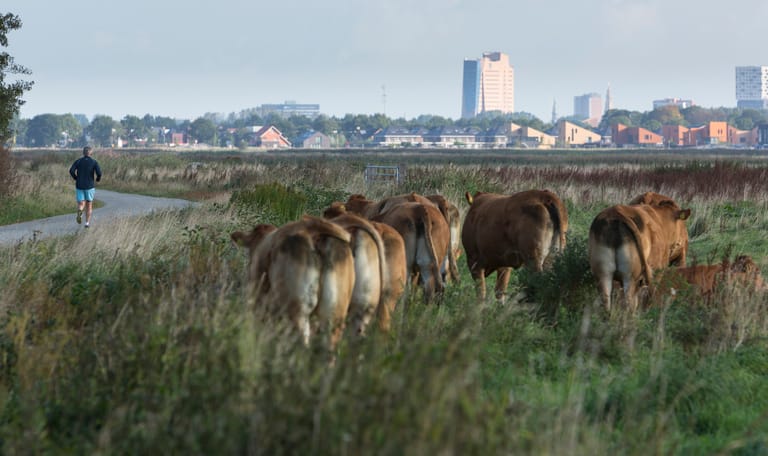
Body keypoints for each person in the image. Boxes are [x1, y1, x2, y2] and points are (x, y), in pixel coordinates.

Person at [69, 146, 102, 228]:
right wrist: (98, 179)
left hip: (79, 185)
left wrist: (75, 178)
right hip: (89, 186)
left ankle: (79, 214)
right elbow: (99, 173)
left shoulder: (78, 161)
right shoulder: (94, 162)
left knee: (81, 203)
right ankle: (87, 223)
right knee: (89, 204)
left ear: (83, 153)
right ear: (91, 153)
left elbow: (71, 171)